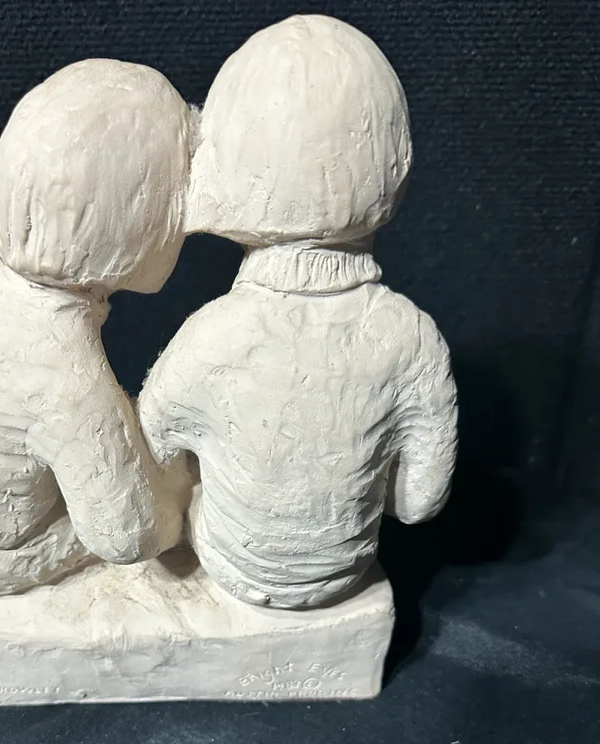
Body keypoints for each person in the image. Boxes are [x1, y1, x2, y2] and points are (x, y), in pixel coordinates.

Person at [139, 14, 458, 609]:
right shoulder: (412, 339)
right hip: (346, 571)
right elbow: (418, 503)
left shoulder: (214, 336)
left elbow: (153, 453)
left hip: (232, 567)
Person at [0, 59, 191, 596]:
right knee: (176, 487)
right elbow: (125, 536)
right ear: (137, 225)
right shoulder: (68, 377)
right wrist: (176, 496)